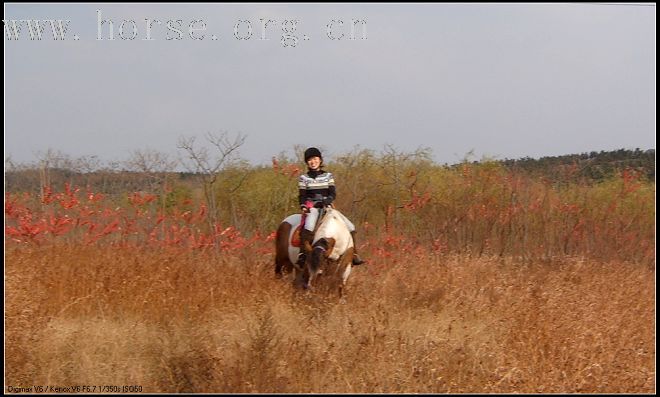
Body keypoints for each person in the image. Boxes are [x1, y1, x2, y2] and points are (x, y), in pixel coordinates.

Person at [296, 147, 366, 267]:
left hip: (327, 207)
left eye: (315, 159)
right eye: (310, 160)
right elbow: (302, 196)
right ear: (307, 162)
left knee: (351, 226)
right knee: (308, 226)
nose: (313, 162)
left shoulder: (328, 176)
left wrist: (327, 200)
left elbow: (332, 193)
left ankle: (354, 254)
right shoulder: (304, 178)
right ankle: (303, 254)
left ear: (320, 160)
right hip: (313, 208)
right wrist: (303, 206)